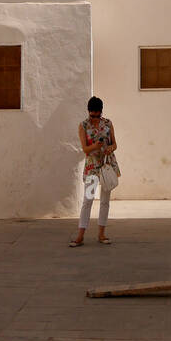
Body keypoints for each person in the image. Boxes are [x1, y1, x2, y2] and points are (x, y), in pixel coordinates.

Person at [70, 96, 118, 247]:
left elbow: (115, 144)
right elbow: (85, 149)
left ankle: (102, 234)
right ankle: (80, 235)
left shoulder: (108, 123)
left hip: (106, 166)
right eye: (93, 115)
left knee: (105, 201)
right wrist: (96, 146)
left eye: (98, 115)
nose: (96, 118)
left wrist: (110, 148)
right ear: (89, 112)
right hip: (92, 167)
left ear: (101, 112)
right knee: (88, 200)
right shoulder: (83, 126)